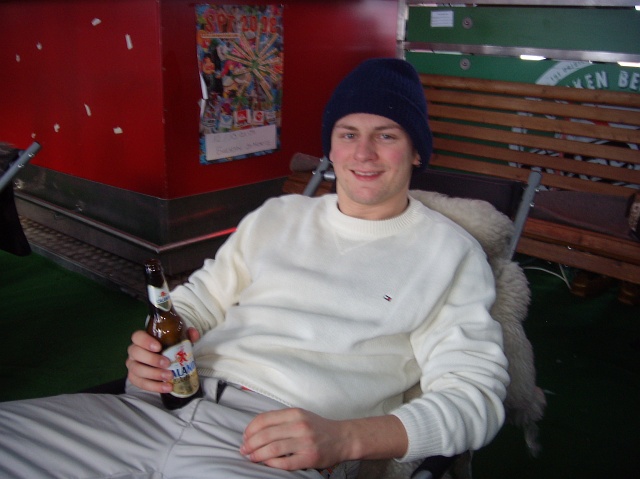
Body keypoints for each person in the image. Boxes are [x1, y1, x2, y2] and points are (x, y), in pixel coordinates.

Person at [0, 58, 509, 479]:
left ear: (417, 150)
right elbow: (201, 298)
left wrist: (345, 438)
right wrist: (155, 345)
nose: (363, 153)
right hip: (153, 407)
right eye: (348, 133)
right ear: (330, 146)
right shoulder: (278, 216)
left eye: (387, 135)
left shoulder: (450, 254)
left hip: (273, 450)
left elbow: (476, 399)